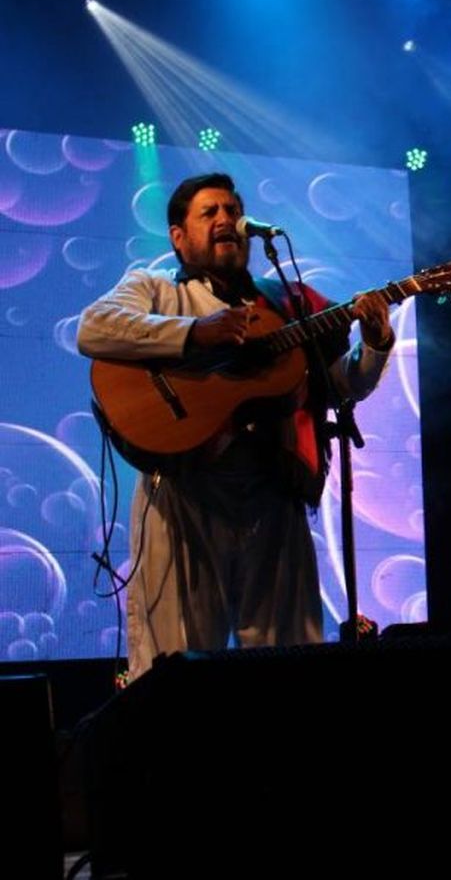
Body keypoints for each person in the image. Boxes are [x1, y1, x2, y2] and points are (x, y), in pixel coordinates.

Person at [78, 172, 394, 681]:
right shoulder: (156, 290)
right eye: (210, 213)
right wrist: (196, 334)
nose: (227, 220)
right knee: (173, 669)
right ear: (179, 238)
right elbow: (93, 328)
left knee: (287, 665)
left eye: (233, 211)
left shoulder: (288, 303)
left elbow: (341, 386)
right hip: (183, 496)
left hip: (274, 495)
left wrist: (375, 343)